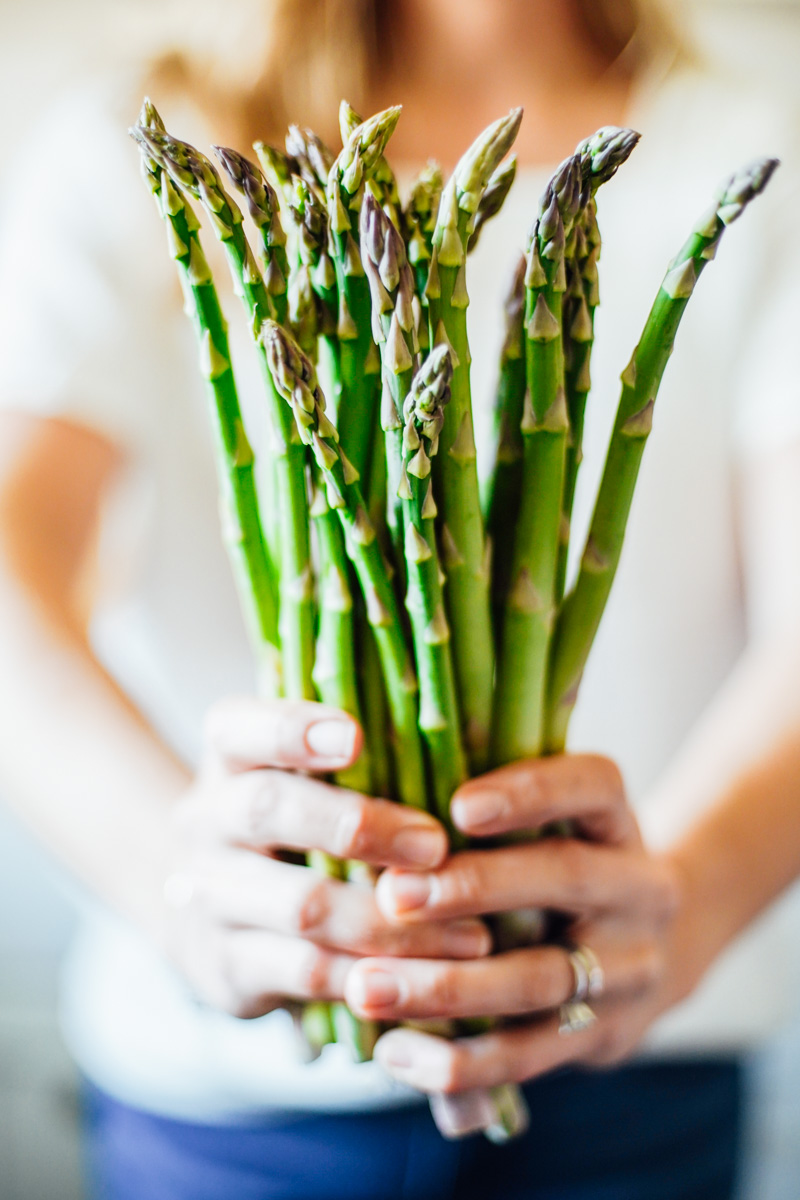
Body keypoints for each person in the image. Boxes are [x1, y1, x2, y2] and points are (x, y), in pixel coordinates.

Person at [0, 0, 799, 1196]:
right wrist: (182, 884)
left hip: (636, 1073)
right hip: (227, 1104)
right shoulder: (132, 142)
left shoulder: (755, 135)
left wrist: (681, 903)